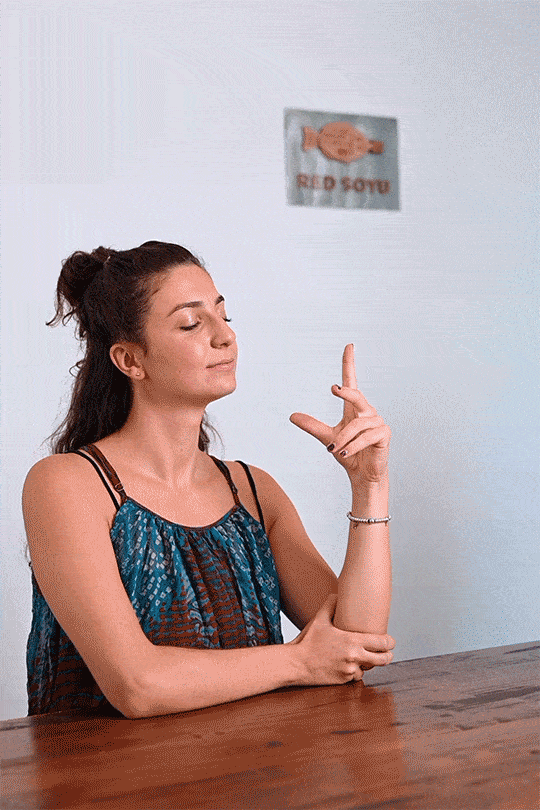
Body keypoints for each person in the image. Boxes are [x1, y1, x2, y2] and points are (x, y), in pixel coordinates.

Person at [22, 240, 394, 719]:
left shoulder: (254, 492)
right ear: (130, 360)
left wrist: (370, 487)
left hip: (254, 762)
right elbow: (137, 686)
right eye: (191, 323)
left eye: (224, 315)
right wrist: (299, 661)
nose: (225, 336)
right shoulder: (66, 485)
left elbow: (356, 644)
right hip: (105, 768)